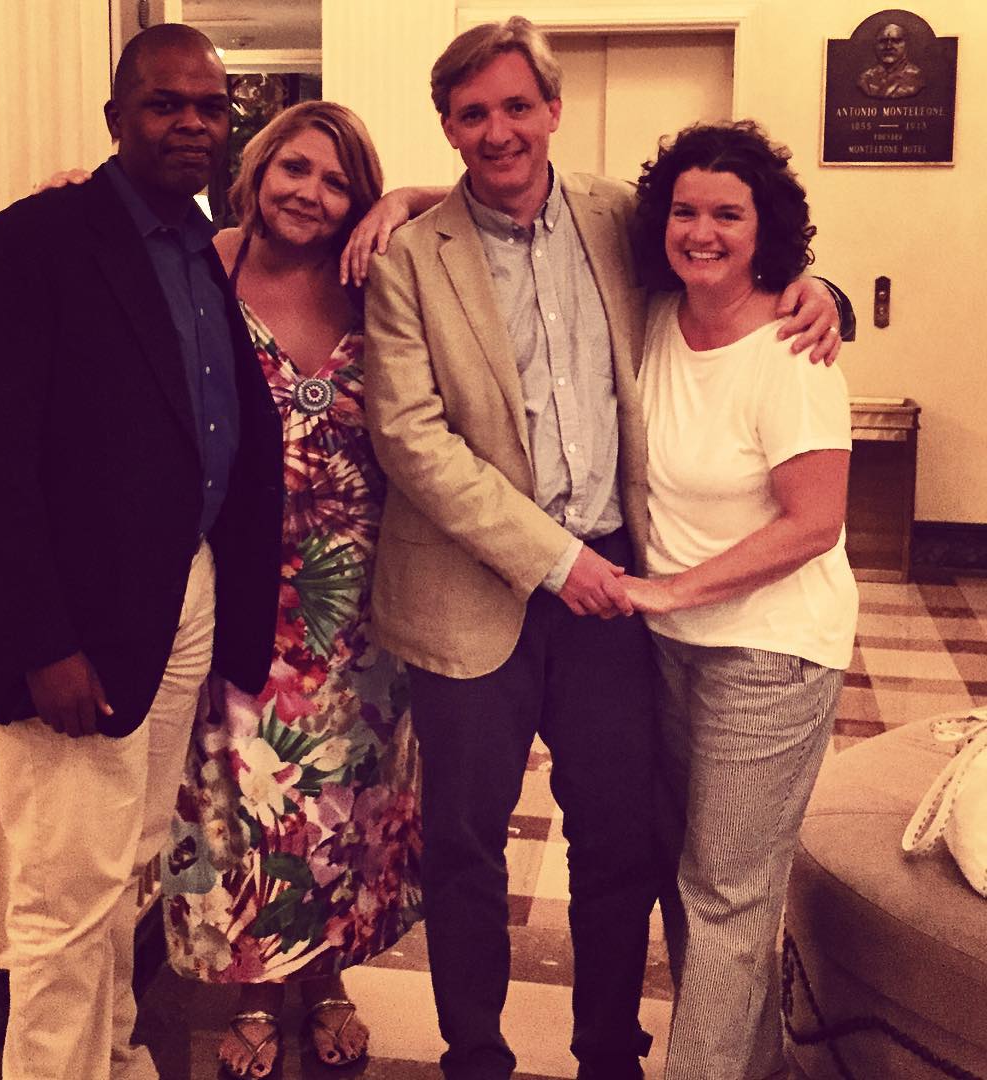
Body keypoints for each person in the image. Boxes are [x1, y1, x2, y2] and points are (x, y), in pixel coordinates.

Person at [362, 17, 844, 1080]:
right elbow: (411, 440)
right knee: (465, 848)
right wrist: (554, 560)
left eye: (516, 106)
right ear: (447, 125)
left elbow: (730, 248)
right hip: (471, 594)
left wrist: (823, 291)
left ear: (553, 108)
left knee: (619, 839)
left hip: (612, 594)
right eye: (473, 113)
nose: (498, 131)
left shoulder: (620, 216)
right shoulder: (409, 260)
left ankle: (610, 1052)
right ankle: (475, 1054)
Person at [0, 24, 283, 1080]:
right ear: (115, 119)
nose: (191, 123)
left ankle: (116, 1057)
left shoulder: (201, 250)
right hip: (75, 632)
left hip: (183, 600)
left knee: (122, 869)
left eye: (210, 107)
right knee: (62, 898)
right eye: (164, 103)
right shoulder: (32, 241)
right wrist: (43, 643)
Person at [160, 101, 424, 1079]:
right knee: (247, 804)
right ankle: (257, 993)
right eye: (296, 169)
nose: (311, 193)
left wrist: (406, 198)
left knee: (348, 803)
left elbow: (504, 206)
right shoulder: (205, 265)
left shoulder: (377, 276)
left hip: (363, 598)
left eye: (339, 181)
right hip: (243, 591)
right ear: (259, 168)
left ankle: (329, 979)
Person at [620, 120, 859, 1079]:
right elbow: (534, 203)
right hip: (674, 644)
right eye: (685, 211)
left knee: (726, 895)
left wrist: (671, 587)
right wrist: (401, 199)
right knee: (697, 886)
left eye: (728, 213)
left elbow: (815, 523)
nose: (702, 232)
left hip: (770, 649)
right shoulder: (653, 318)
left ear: (768, 230)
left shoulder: (792, 351)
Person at [857, 22, 925, 99]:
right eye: (883, 41)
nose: (888, 47)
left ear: (906, 45)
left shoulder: (917, 77)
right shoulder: (865, 79)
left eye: (896, 41)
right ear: (875, 46)